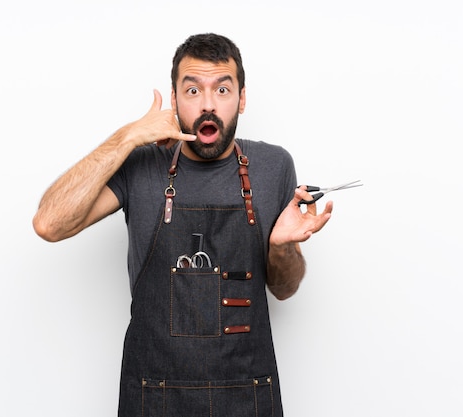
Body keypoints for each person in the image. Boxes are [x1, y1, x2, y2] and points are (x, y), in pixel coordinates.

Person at [33, 33, 332, 416]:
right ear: (174, 101)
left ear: (241, 98)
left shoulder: (273, 167)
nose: (208, 105)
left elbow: (285, 289)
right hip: (154, 394)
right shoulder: (141, 165)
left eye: (222, 89)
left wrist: (281, 246)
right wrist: (127, 138)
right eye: (193, 91)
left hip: (247, 393)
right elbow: (48, 223)